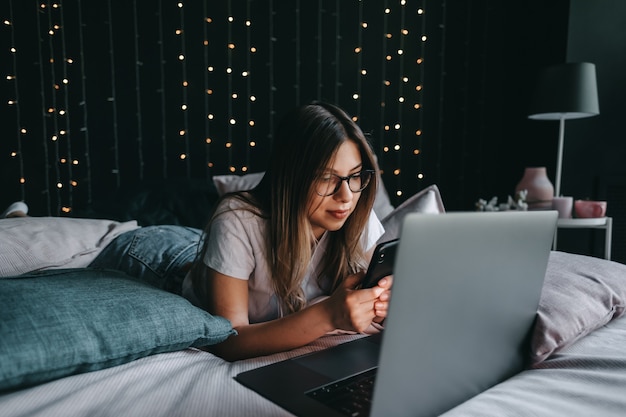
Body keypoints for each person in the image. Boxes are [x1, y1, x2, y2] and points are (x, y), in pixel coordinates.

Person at [183, 102, 393, 361]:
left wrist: (382, 307)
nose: (346, 196)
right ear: (292, 177)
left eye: (355, 175)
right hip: (176, 258)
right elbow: (229, 341)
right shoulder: (237, 220)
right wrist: (327, 316)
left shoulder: (356, 213)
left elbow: (379, 306)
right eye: (327, 178)